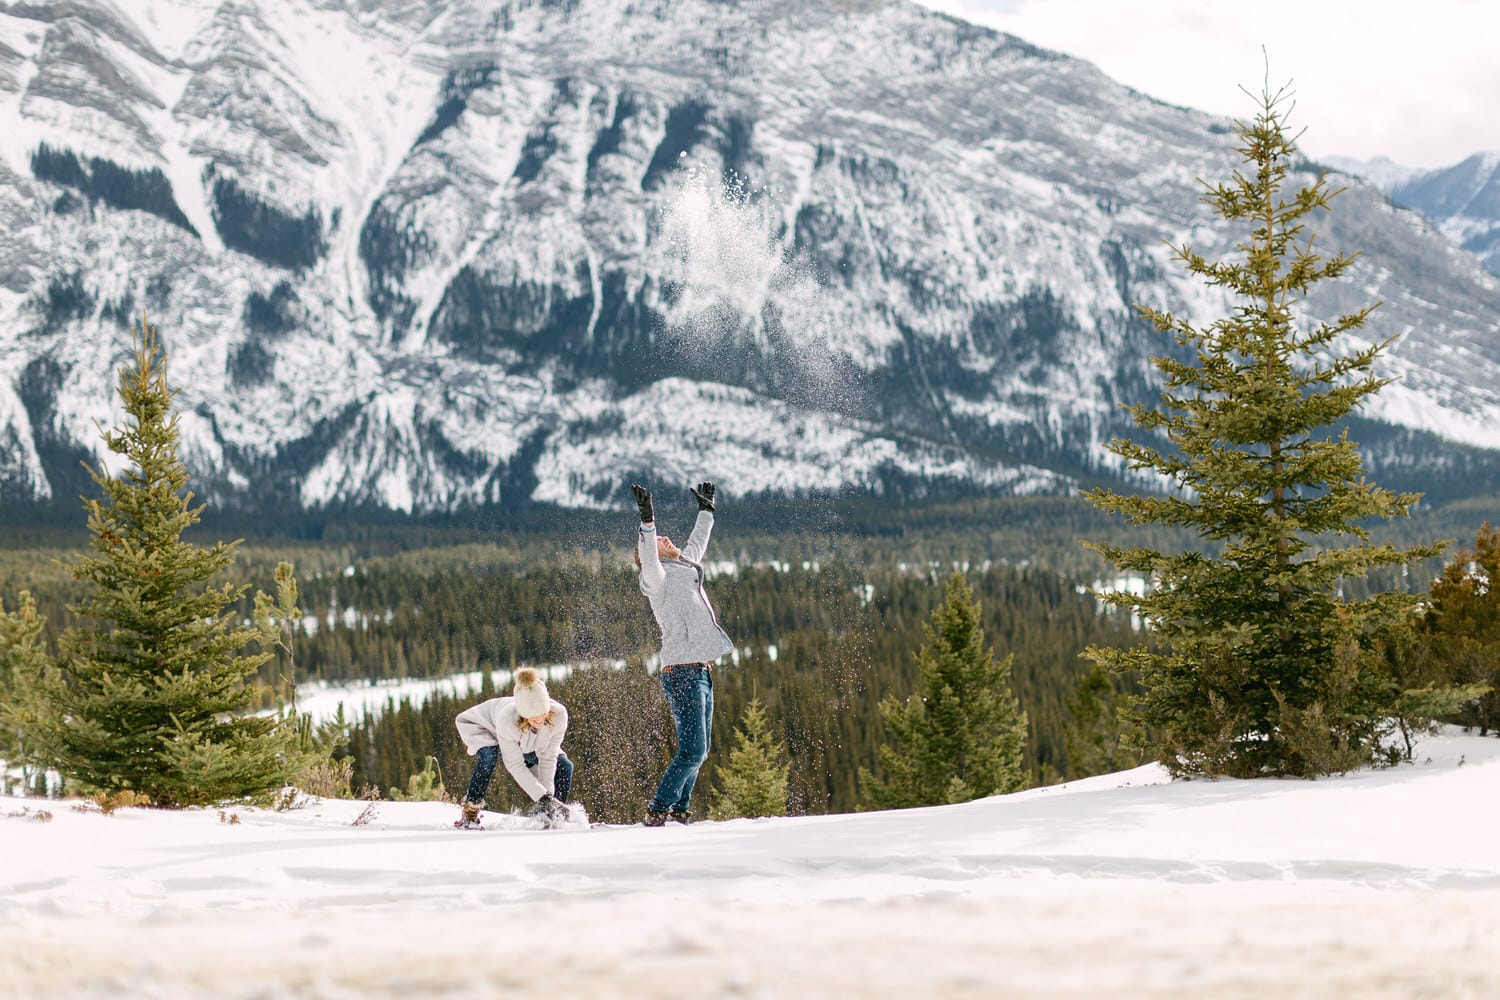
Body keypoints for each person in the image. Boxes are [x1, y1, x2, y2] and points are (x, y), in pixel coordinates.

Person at [631, 480, 734, 826]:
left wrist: (707, 510)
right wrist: (648, 521)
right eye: (662, 541)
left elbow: (697, 542)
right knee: (692, 750)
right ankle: (658, 810)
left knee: (700, 752)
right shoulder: (655, 578)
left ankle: (679, 810)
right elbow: (648, 553)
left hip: (700, 671)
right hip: (682, 672)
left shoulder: (682, 567)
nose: (668, 540)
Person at [453, 667, 572, 829]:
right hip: (482, 727)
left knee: (565, 766)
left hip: (525, 741)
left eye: (542, 713)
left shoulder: (559, 715)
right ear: (523, 714)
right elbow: (515, 765)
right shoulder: (507, 719)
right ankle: (470, 810)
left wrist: (548, 797)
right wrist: (542, 796)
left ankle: (553, 817)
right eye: (532, 715)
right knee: (489, 756)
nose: (538, 719)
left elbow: (548, 756)